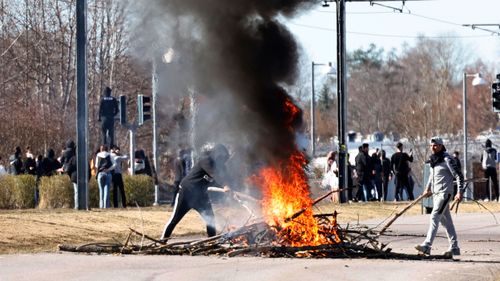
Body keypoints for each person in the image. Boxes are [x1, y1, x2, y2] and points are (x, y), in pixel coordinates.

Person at [161, 144, 232, 240]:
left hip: (201, 196)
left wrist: (231, 189)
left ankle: (212, 242)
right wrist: (225, 185)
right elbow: (214, 174)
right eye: (222, 158)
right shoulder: (206, 160)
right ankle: (163, 240)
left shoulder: (221, 167)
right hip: (186, 193)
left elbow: (224, 179)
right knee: (175, 219)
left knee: (210, 218)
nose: (223, 161)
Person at [415, 137, 464, 256]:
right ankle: (454, 247)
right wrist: (427, 189)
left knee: (434, 216)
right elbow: (432, 177)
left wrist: (459, 192)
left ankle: (427, 245)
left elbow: (459, 176)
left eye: (435, 145)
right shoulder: (433, 160)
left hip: (445, 193)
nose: (432, 147)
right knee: (446, 222)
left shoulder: (447, 159)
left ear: (441, 146)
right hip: (436, 194)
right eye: (431, 145)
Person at [59, 140, 78, 208]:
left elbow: (61, 161)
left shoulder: (65, 152)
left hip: (66, 168)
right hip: (73, 169)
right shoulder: (74, 152)